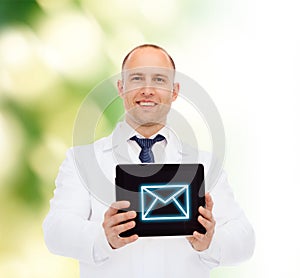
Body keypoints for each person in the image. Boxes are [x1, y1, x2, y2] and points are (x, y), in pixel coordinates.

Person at [43, 44, 255, 278]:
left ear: (174, 91)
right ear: (121, 88)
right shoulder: (82, 160)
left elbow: (245, 239)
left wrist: (210, 242)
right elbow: (55, 231)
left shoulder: (204, 164)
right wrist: (103, 239)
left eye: (159, 80)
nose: (147, 90)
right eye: (136, 79)